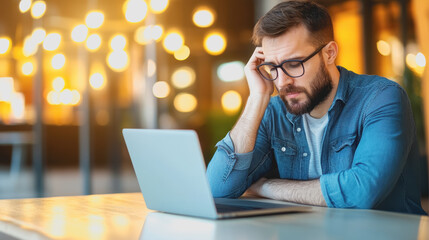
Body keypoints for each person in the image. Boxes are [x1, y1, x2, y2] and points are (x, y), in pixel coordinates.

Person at [206, 0, 427, 215]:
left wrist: (266, 187)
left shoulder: (380, 97)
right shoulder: (273, 111)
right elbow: (216, 190)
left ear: (329, 53)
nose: (281, 82)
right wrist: (257, 97)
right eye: (272, 67)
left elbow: (362, 191)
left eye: (294, 64)